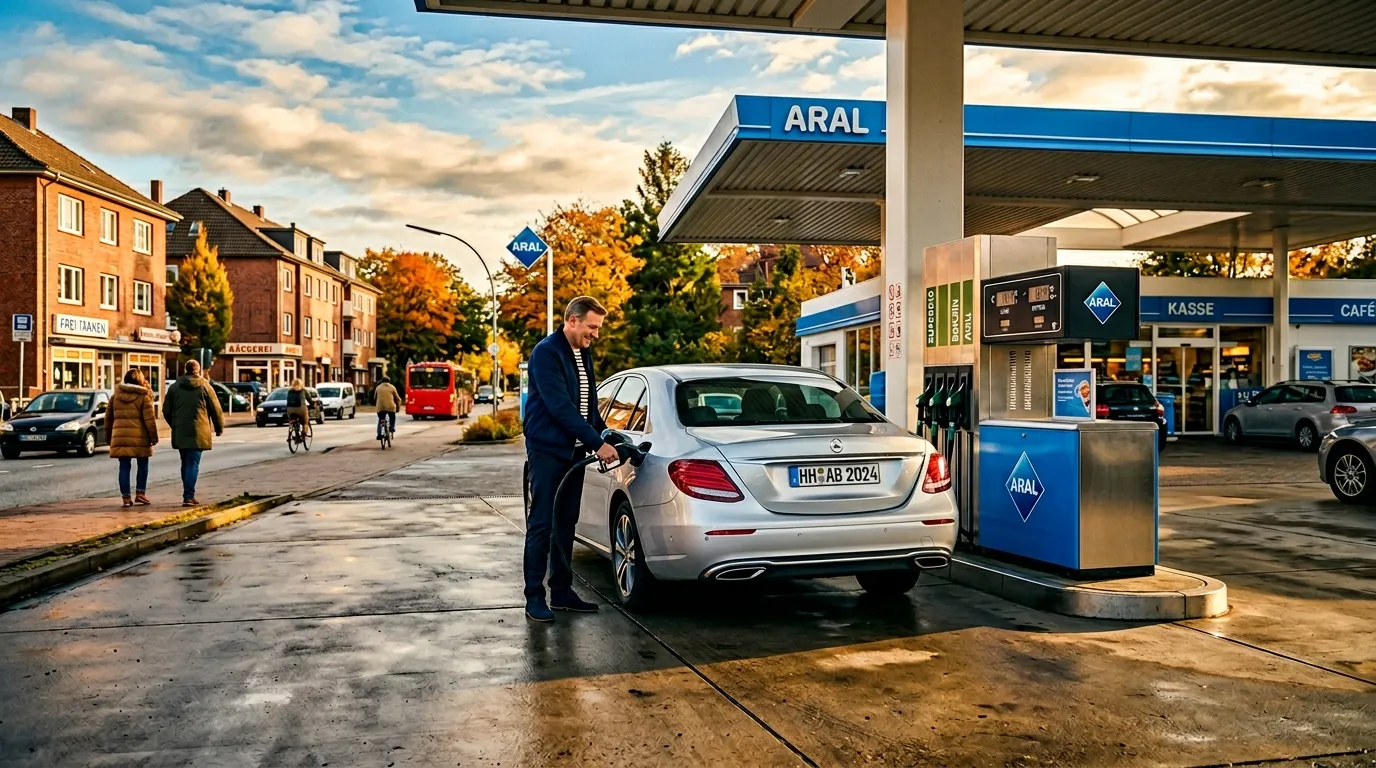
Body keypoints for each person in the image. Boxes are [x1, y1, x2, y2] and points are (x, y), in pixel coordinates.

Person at [522, 296, 620, 623]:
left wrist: (604, 435)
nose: (595, 334)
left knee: (566, 523)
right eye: (592, 327)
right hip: (548, 451)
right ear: (573, 321)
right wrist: (596, 443)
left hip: (574, 452)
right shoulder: (546, 353)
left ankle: (561, 591)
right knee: (542, 524)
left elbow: (588, 406)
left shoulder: (583, 352)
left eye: (598, 328)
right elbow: (560, 407)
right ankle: (534, 597)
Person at [163, 360, 224, 507]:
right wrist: (219, 427)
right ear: (198, 370)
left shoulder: (174, 387)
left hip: (181, 431)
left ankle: (187, 493)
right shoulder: (205, 387)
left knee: (185, 462)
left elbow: (166, 410)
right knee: (193, 463)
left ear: (185, 370)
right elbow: (216, 409)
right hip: (199, 431)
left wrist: (175, 424)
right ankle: (189, 496)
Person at [107, 369, 159, 507]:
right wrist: (153, 437)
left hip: (120, 437)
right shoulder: (143, 396)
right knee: (143, 464)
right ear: (140, 380)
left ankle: (126, 498)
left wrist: (109, 438)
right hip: (140, 437)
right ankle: (140, 493)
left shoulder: (115, 396)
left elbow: (108, 419)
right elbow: (150, 420)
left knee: (124, 466)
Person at [373, 375, 400, 441]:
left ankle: (379, 434)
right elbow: (397, 398)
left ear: (381, 381)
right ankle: (392, 427)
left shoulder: (378, 387)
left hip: (380, 407)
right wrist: (398, 407)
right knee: (392, 417)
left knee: (380, 419)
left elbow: (374, 398)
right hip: (390, 407)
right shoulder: (392, 387)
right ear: (389, 381)